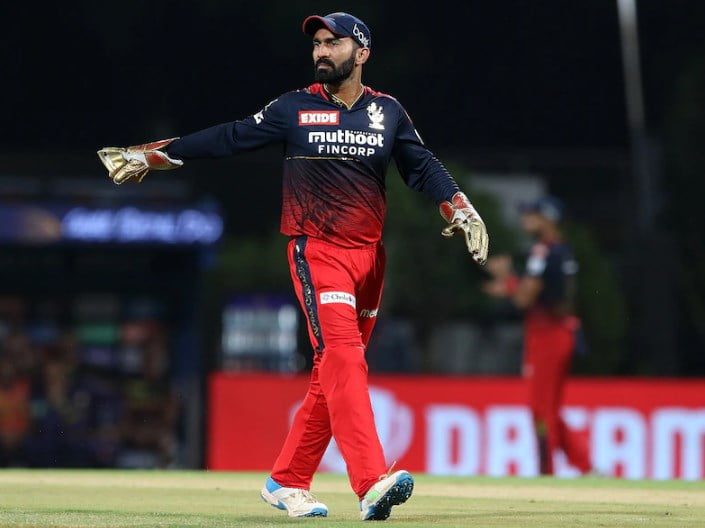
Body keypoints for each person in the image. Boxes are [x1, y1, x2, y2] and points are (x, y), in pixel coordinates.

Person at [98, 12, 488, 520]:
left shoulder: (387, 112)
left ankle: (287, 480)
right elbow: (231, 136)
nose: (321, 51)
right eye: (317, 43)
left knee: (332, 372)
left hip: (370, 259)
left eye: (333, 43)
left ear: (362, 53)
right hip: (318, 250)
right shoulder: (294, 108)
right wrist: (157, 156)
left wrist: (457, 205)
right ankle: (370, 481)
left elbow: (422, 165)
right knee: (345, 357)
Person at [483, 196, 591, 475]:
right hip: (561, 331)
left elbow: (524, 299)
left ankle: (546, 472)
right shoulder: (562, 249)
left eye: (532, 214)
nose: (525, 219)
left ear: (548, 217)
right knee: (550, 409)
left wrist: (508, 280)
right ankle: (585, 466)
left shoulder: (543, 251)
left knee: (540, 409)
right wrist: (512, 285)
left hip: (548, 335)